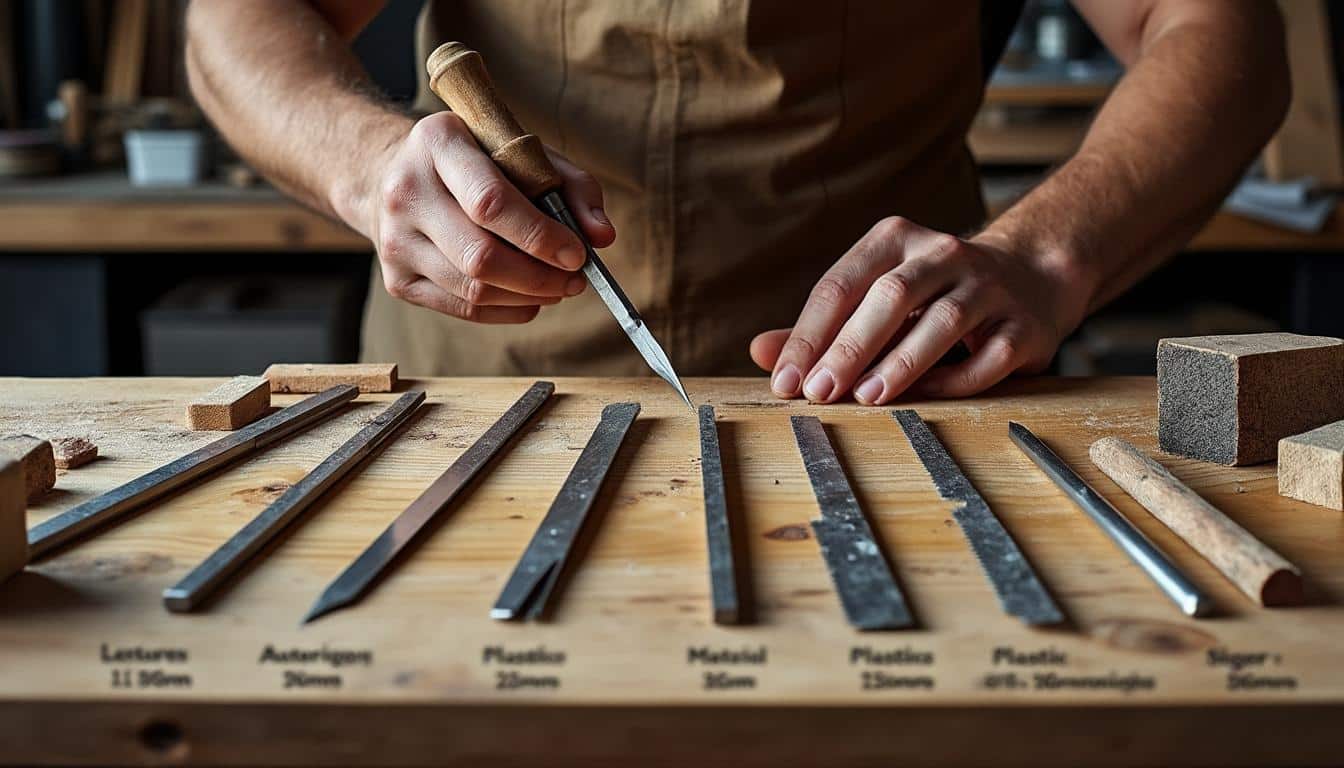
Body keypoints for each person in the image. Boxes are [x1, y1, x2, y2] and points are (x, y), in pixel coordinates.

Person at [185, 1, 1288, 405]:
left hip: (888, 390)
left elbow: (1214, 29)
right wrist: (371, 162)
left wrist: (1047, 257)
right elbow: (233, 21)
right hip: (486, 390)